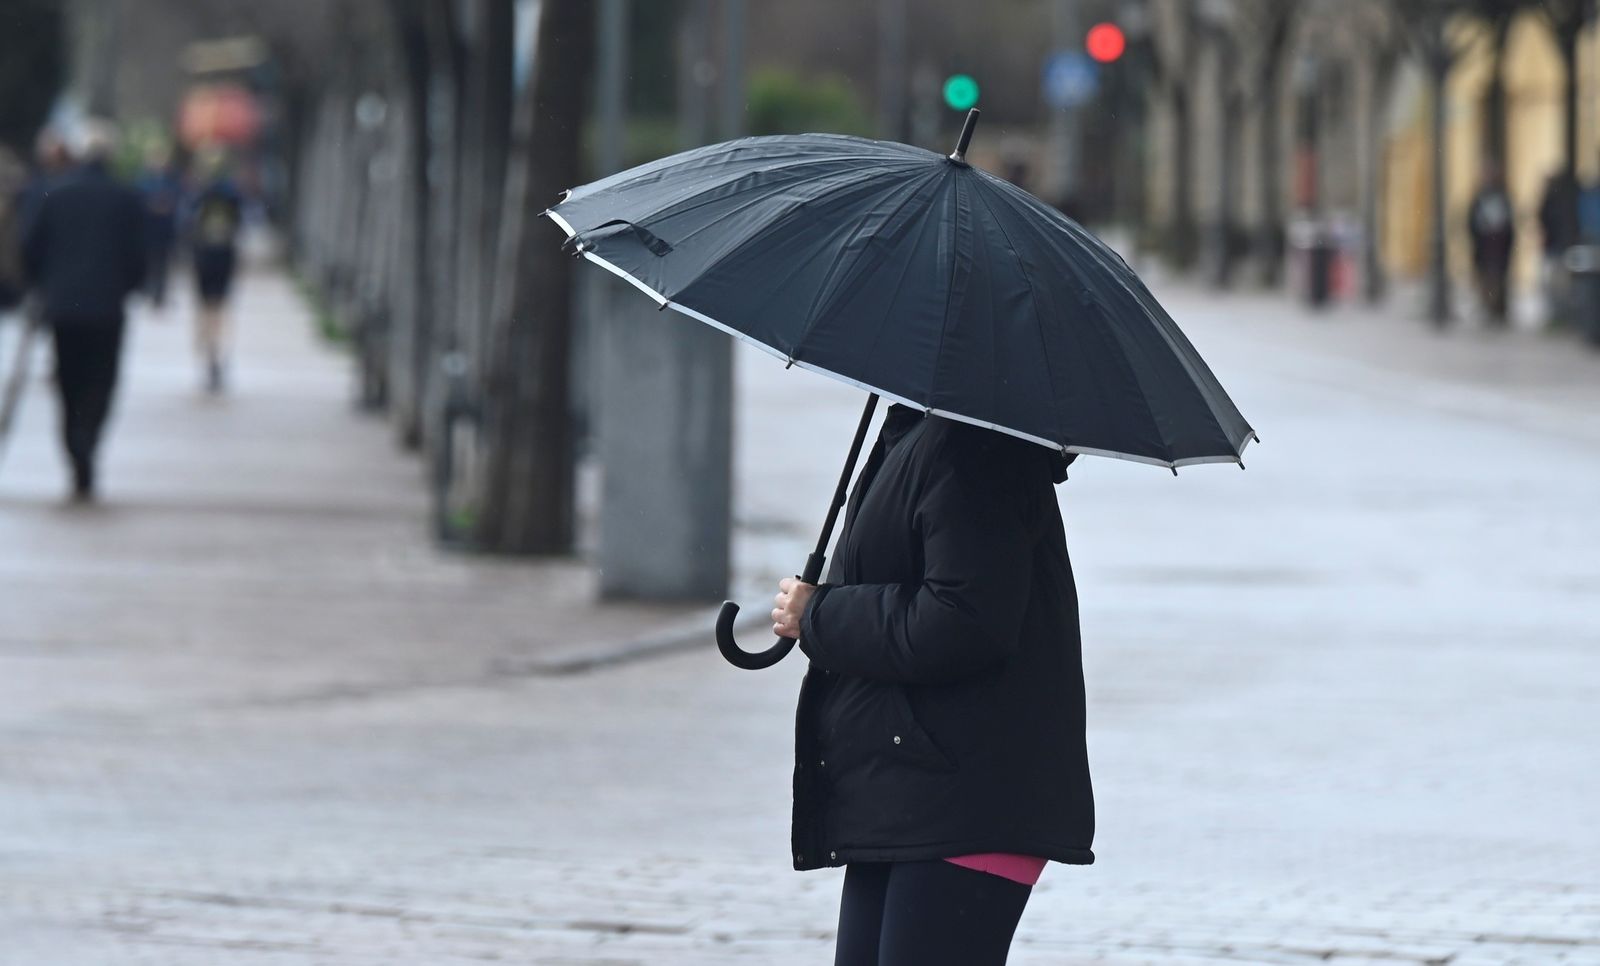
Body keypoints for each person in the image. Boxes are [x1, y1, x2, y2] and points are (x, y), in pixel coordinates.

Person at [771, 405, 1094, 966]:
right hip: (907, 790)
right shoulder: (920, 431)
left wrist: (819, 613)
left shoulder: (976, 448)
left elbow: (964, 620)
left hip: (964, 797)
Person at [21, 121, 146, 502]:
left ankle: (76, 446)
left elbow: (30, 248)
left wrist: (44, 285)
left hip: (64, 306)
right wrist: (127, 287)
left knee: (69, 382)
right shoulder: (126, 197)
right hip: (107, 306)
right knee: (101, 382)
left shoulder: (55, 194)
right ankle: (87, 441)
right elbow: (138, 256)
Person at [187, 153, 244, 393]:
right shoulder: (231, 195)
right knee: (218, 309)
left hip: (206, 258)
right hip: (221, 258)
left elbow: (189, 222)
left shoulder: (202, 195)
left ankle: (211, 352)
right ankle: (214, 352)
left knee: (207, 309)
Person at [1468, 162, 1516, 326]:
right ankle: (1488, 307)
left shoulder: (1502, 196)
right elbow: (1471, 222)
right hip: (1485, 246)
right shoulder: (1480, 197)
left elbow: (1509, 224)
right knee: (1486, 277)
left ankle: (1497, 309)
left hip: (1499, 246)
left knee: (1498, 278)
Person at [135, 146, 183, 309]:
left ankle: (160, 294)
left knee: (163, 262)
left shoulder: (172, 180)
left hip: (165, 228)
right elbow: (139, 200)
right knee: (150, 262)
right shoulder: (144, 181)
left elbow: (178, 198)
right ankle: (150, 290)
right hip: (149, 228)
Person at [1538, 171, 1580, 324]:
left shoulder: (1561, 202)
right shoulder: (1551, 202)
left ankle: (1561, 316)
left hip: (1559, 247)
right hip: (1554, 247)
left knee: (1560, 285)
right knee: (1554, 285)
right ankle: (1557, 316)